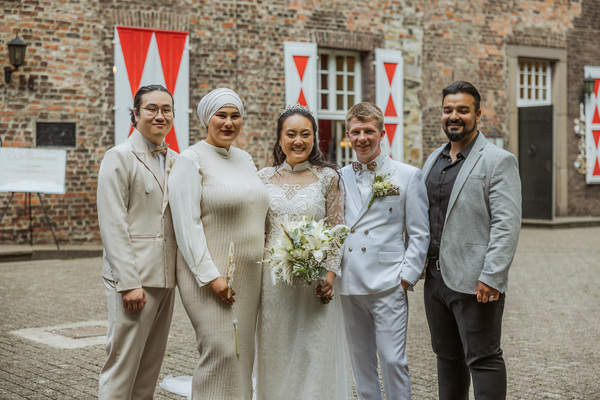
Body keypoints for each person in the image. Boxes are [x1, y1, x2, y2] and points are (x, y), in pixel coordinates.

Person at [421, 81, 522, 400]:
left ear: (478, 114)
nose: (454, 116)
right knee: (447, 357)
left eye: (463, 110)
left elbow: (507, 225)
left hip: (476, 282)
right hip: (435, 280)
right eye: (448, 110)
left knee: (483, 359)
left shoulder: (499, 160)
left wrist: (492, 276)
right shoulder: (433, 160)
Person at [167, 88, 269, 400]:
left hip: (249, 277)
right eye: (221, 115)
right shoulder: (190, 159)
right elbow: (186, 226)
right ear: (206, 119)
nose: (228, 122)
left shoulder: (245, 159)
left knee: (242, 355)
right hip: (210, 275)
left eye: (235, 116)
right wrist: (211, 277)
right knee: (221, 351)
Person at [255, 104, 352, 399]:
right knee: (276, 348)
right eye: (291, 134)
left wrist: (330, 275)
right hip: (273, 281)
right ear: (279, 138)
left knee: (313, 350)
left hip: (314, 280)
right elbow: (257, 230)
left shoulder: (328, 178)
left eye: (305, 134)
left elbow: (337, 230)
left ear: (314, 138)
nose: (298, 141)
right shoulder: (262, 178)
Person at [338, 102, 430, 400]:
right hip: (349, 283)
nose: (362, 138)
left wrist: (406, 278)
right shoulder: (338, 177)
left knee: (392, 360)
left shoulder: (407, 175)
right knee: (360, 361)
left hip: (389, 282)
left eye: (368, 131)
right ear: (347, 135)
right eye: (356, 132)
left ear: (382, 132)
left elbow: (419, 233)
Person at [97, 84, 178, 399]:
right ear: (136, 114)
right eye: (151, 109)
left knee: (149, 369)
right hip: (134, 280)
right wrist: (129, 283)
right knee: (122, 367)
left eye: (166, 109)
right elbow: (113, 223)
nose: (160, 116)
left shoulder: (175, 160)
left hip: (165, 277)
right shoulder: (119, 157)